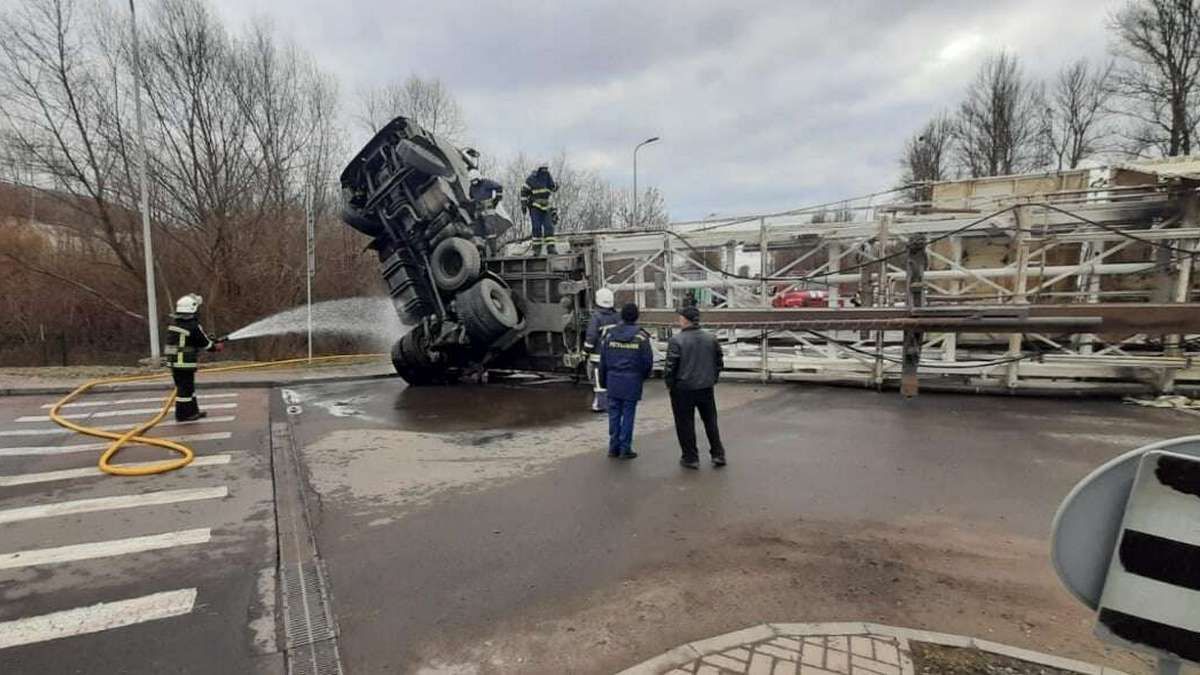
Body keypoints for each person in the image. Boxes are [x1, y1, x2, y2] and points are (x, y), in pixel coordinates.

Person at [664, 306, 726, 469]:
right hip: (706, 387)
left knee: (685, 423)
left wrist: (670, 384)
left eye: (680, 317)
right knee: (710, 421)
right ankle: (718, 454)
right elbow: (719, 362)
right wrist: (712, 378)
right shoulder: (710, 339)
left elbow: (671, 367)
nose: (679, 320)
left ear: (685, 320)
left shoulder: (676, 341)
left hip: (683, 389)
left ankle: (690, 457)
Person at [598, 303, 653, 460]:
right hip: (632, 381)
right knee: (628, 415)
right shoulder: (641, 337)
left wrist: (603, 382)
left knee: (614, 415)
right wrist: (642, 377)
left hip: (613, 380)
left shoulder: (609, 335)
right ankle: (625, 449)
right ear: (636, 317)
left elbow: (603, 362)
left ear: (621, 316)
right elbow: (647, 362)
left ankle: (613, 447)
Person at [165, 294, 223, 422]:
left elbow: (191, 340)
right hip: (184, 362)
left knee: (188, 388)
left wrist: (209, 340)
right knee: (185, 389)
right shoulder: (193, 326)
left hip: (174, 361)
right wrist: (215, 347)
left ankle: (193, 412)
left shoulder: (175, 323)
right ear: (192, 309)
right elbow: (205, 344)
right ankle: (183, 415)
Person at [584, 287, 620, 412]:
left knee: (599, 381)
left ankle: (601, 404)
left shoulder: (596, 317)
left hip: (598, 355)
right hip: (615, 354)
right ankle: (614, 402)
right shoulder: (617, 316)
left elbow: (591, 336)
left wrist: (585, 351)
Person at [519, 164, 558, 254]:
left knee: (549, 227)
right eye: (543, 169)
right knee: (536, 228)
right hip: (535, 207)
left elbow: (553, 187)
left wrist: (556, 186)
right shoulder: (531, 179)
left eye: (546, 169)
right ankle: (536, 249)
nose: (545, 171)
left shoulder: (548, 176)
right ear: (538, 170)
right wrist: (523, 205)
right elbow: (523, 192)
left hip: (546, 206)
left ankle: (551, 248)